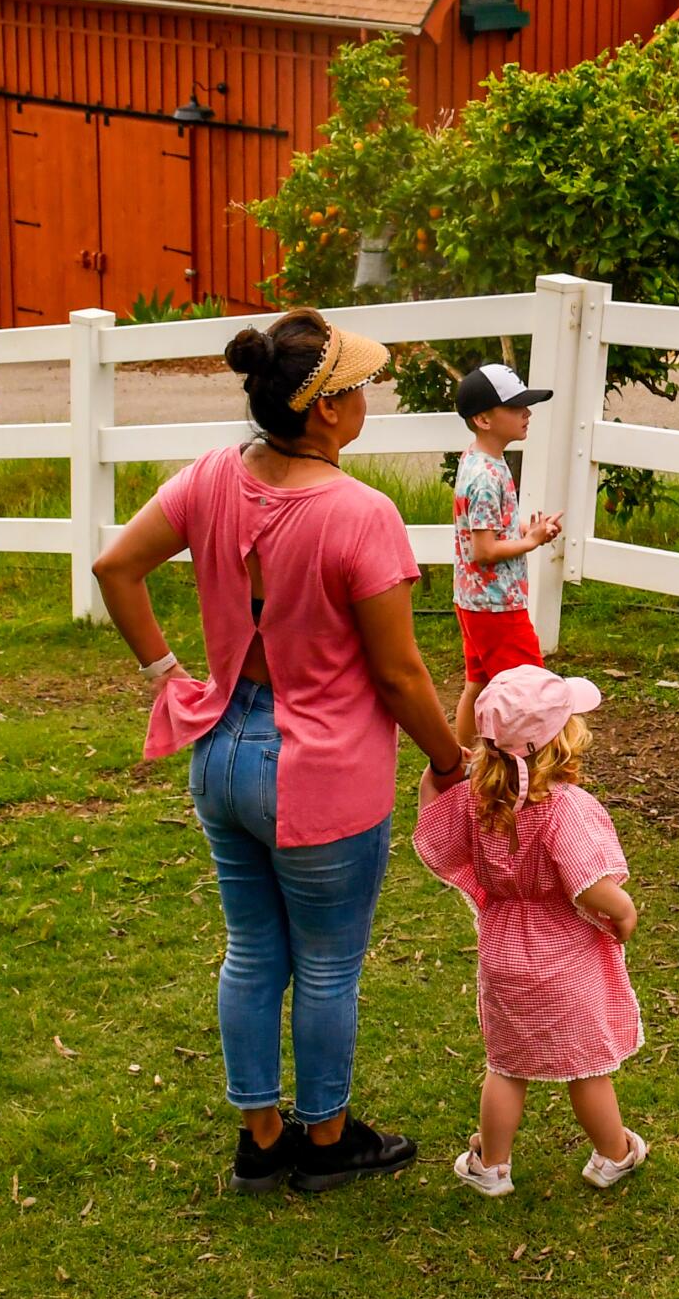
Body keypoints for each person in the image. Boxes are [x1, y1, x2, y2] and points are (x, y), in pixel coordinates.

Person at [93, 310, 468, 1193]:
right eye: (358, 386)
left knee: (254, 951)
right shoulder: (360, 514)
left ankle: (261, 1140)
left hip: (221, 747)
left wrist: (165, 673)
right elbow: (401, 676)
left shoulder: (213, 479)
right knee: (330, 964)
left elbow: (116, 566)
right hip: (321, 771)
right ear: (327, 411)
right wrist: (450, 761)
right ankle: (328, 1139)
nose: (367, 397)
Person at [413, 665, 647, 1196]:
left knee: (506, 1064)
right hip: (562, 951)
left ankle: (491, 1165)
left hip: (504, 949)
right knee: (586, 1065)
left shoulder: (478, 800)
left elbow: (436, 823)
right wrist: (624, 909)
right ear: (557, 742)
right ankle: (613, 1155)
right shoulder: (564, 808)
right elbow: (587, 882)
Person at [451, 362, 563, 747]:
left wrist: (527, 532)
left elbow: (486, 533)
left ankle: (463, 766)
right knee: (533, 694)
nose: (527, 414)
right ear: (483, 418)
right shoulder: (486, 476)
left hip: (473, 602)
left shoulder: (478, 460)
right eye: (516, 408)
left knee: (478, 685)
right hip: (498, 607)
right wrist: (531, 543)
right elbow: (484, 550)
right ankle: (535, 774)